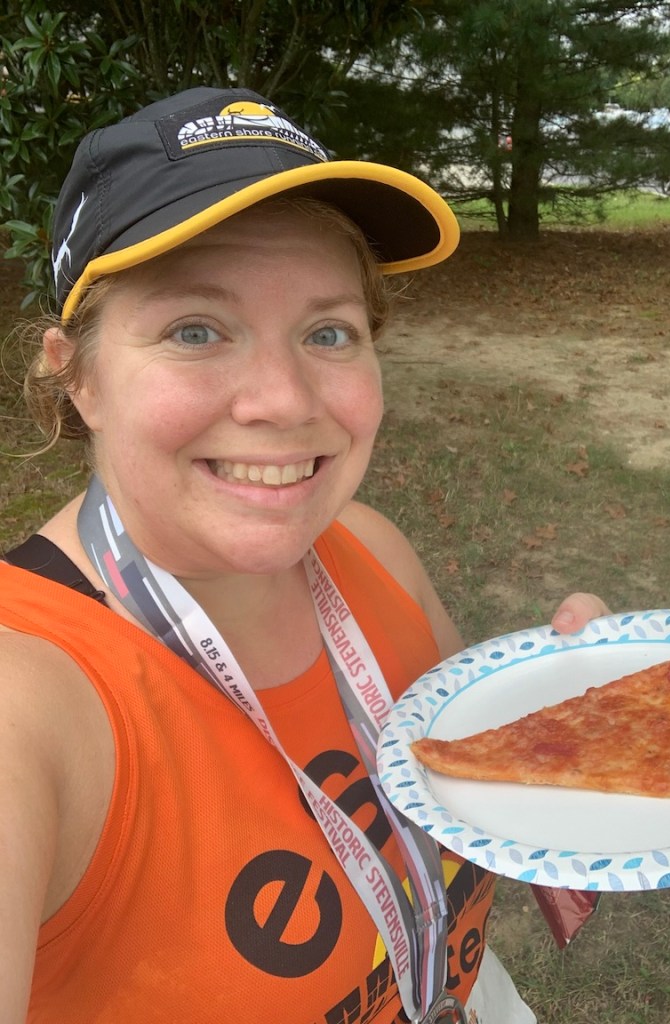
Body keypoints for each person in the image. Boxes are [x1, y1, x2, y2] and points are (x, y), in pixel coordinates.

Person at [0, 87, 608, 1024]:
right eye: (195, 329)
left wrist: (589, 724)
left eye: (328, 332)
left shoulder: (372, 550)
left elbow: (476, 799)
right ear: (76, 376)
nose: (283, 399)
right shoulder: (28, 705)